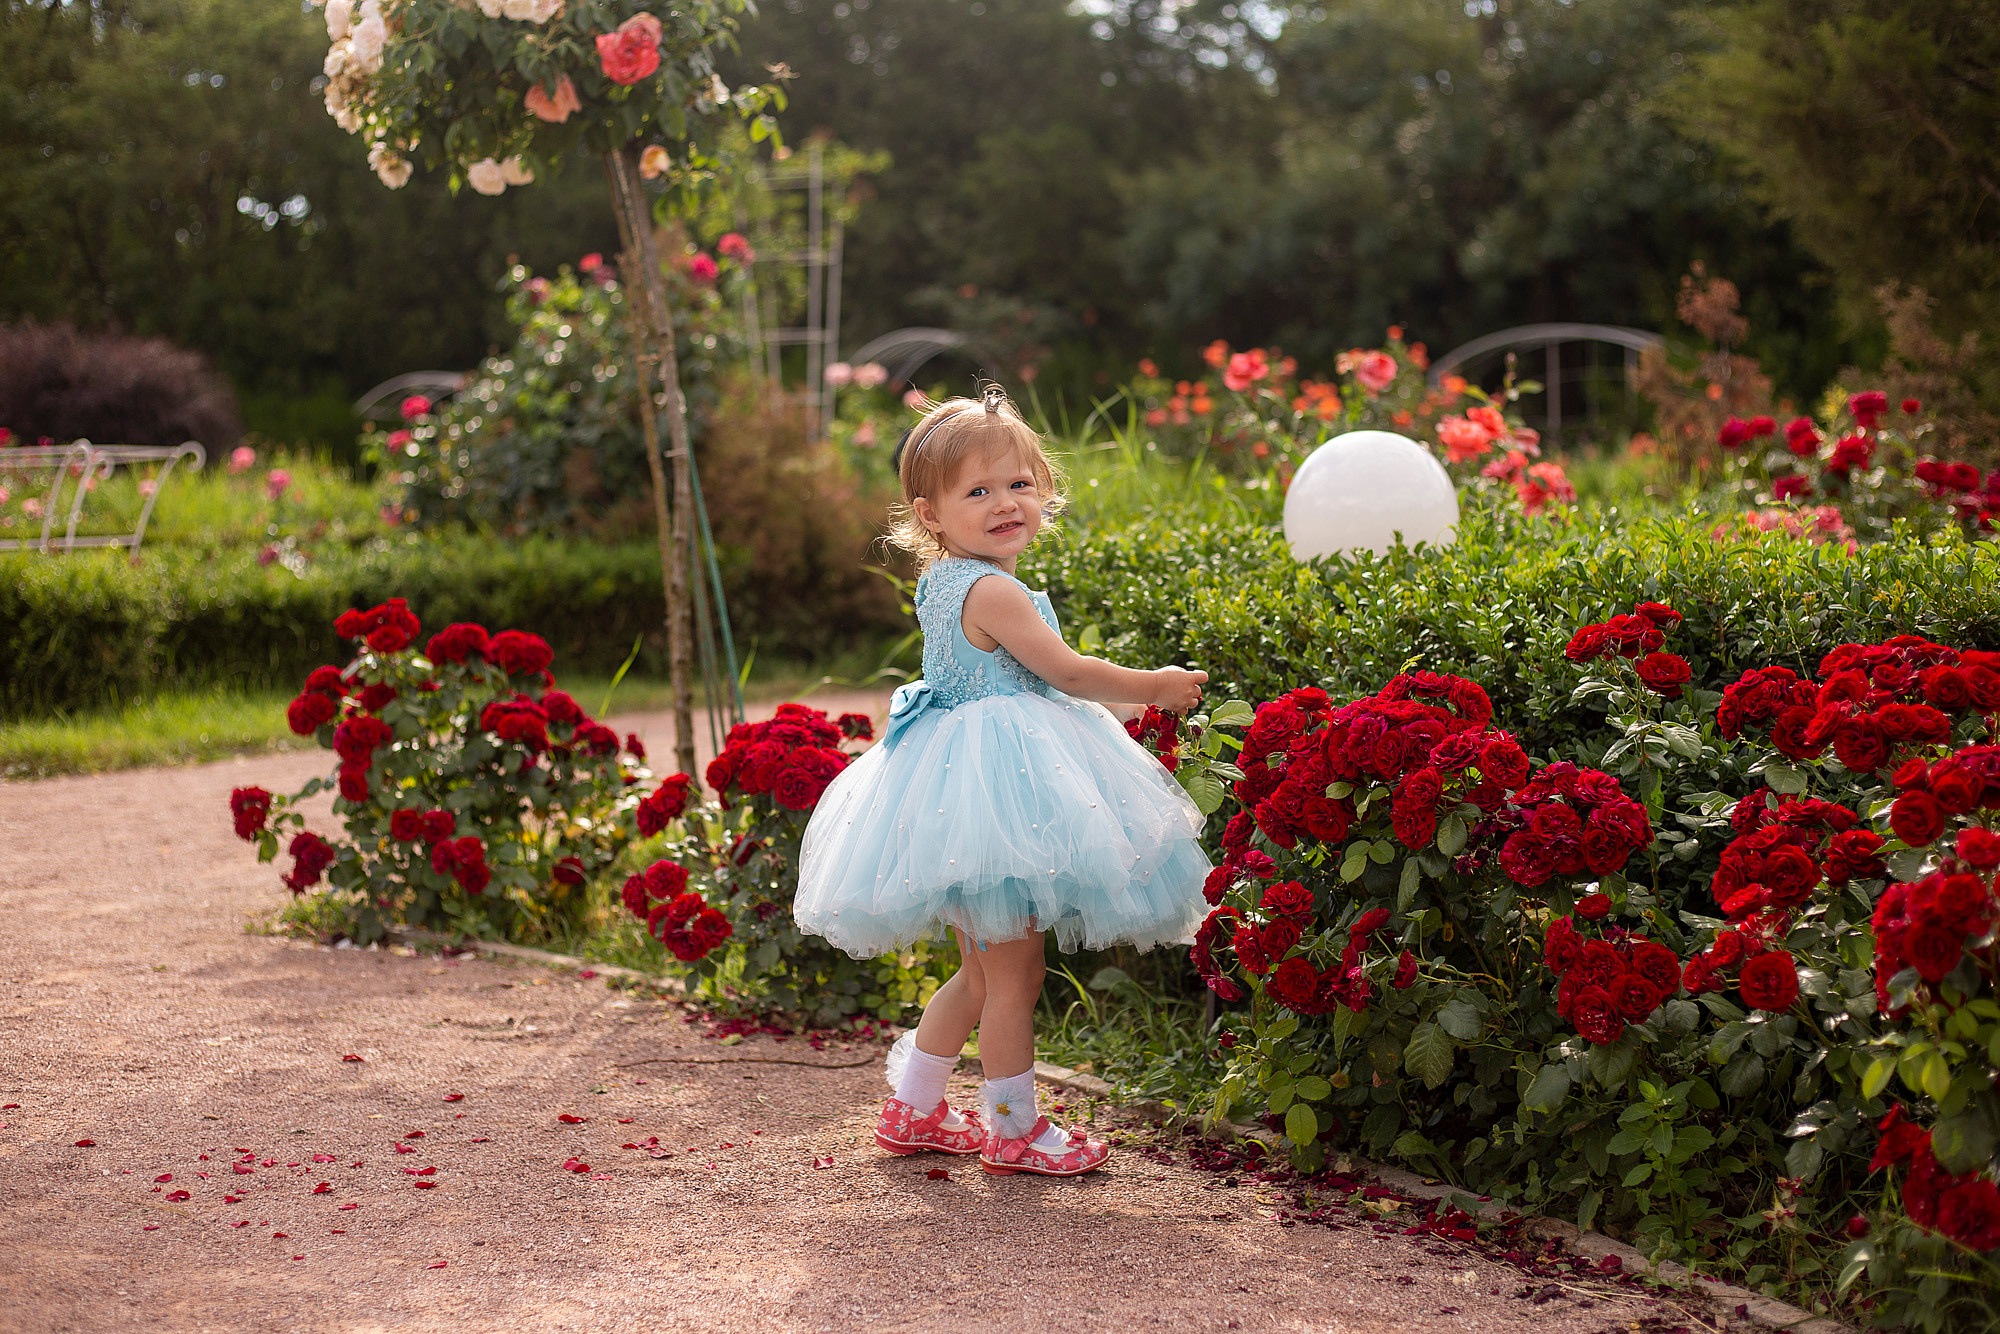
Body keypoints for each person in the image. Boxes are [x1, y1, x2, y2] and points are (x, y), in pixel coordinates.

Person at [795, 386, 1212, 1177]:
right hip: (998, 797)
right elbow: (1066, 671)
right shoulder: (994, 588)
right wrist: (1153, 685)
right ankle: (1013, 1127)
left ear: (1044, 487)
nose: (1004, 504)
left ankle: (914, 1107)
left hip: (960, 792)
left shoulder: (946, 581)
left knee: (980, 971)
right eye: (977, 492)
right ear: (930, 513)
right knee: (1016, 975)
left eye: (1018, 484)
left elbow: (1033, 682)